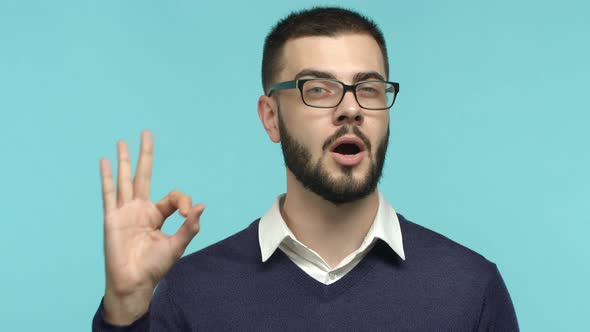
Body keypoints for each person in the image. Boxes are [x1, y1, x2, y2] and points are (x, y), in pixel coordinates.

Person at [92, 7, 519, 331]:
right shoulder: (192, 291)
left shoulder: (469, 289)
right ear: (271, 117)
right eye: (318, 89)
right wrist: (127, 305)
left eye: (369, 89)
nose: (350, 108)